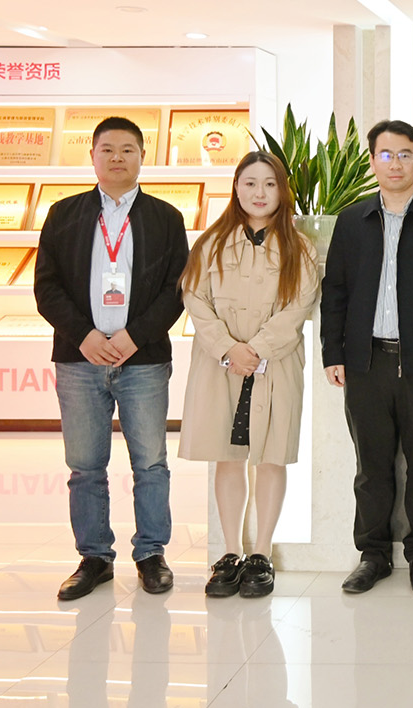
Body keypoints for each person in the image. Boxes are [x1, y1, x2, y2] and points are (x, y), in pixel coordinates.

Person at [35, 116, 189, 600]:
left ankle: (151, 554)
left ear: (142, 156)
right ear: (93, 156)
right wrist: (83, 336)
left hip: (143, 360)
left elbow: (176, 290)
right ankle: (95, 558)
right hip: (79, 359)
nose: (117, 157)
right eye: (108, 149)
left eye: (127, 149)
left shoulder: (166, 218)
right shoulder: (64, 214)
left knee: (151, 463)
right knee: (84, 466)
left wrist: (133, 337)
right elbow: (46, 287)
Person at [321, 120, 413, 595]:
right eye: (386, 154)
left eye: (405, 154)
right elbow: (335, 291)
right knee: (372, 465)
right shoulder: (352, 221)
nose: (395, 163)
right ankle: (373, 554)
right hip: (365, 362)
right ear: (372, 161)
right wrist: (333, 352)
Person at [178, 151, 319, 598]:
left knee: (271, 455)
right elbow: (194, 299)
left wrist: (256, 349)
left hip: (274, 363)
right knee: (228, 455)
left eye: (270, 184)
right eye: (250, 183)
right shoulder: (210, 243)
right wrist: (228, 348)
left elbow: (299, 306)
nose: (260, 193)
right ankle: (230, 551)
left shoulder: (300, 247)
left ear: (282, 191)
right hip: (221, 365)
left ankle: (261, 553)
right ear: (236, 188)